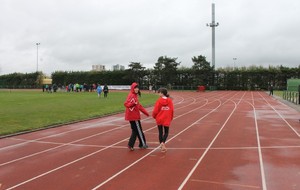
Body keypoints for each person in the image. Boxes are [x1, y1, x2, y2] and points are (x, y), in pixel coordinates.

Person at [124, 82, 149, 151]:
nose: (137, 89)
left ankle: (131, 144)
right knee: (139, 131)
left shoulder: (134, 95)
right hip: (133, 117)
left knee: (135, 130)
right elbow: (126, 104)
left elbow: (139, 106)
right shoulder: (132, 96)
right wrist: (133, 103)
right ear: (133, 88)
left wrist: (146, 113)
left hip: (133, 116)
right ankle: (142, 144)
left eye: (137, 88)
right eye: (135, 88)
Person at [152, 88, 174, 152]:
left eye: (159, 92)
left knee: (160, 132)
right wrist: (171, 118)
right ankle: (163, 143)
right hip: (167, 118)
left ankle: (161, 145)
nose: (158, 94)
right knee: (166, 132)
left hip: (159, 118)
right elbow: (172, 110)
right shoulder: (170, 101)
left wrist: (154, 116)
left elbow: (155, 110)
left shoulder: (158, 101)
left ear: (162, 93)